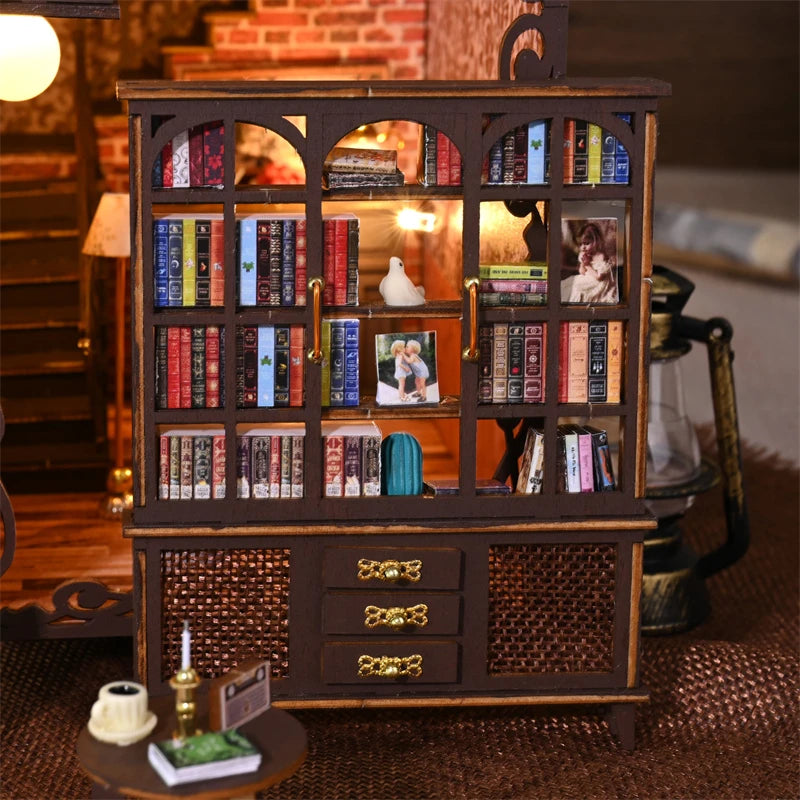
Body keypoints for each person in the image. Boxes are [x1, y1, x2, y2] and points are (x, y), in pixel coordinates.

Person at [560, 221, 618, 304]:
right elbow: (582, 272)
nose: (583, 247)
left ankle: (576, 304)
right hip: (588, 277)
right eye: (580, 244)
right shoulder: (583, 254)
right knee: (569, 281)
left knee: (577, 285)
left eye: (587, 243)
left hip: (600, 283)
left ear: (595, 241)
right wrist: (583, 263)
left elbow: (599, 277)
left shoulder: (601, 256)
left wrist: (587, 265)